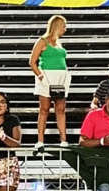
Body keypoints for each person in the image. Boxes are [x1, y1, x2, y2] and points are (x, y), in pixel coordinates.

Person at [29, 14, 68, 148]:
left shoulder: (58, 42)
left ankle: (63, 140)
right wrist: (40, 76)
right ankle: (40, 140)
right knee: (44, 109)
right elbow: (32, 61)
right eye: (63, 26)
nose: (65, 29)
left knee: (60, 109)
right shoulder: (42, 41)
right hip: (46, 76)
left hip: (60, 78)